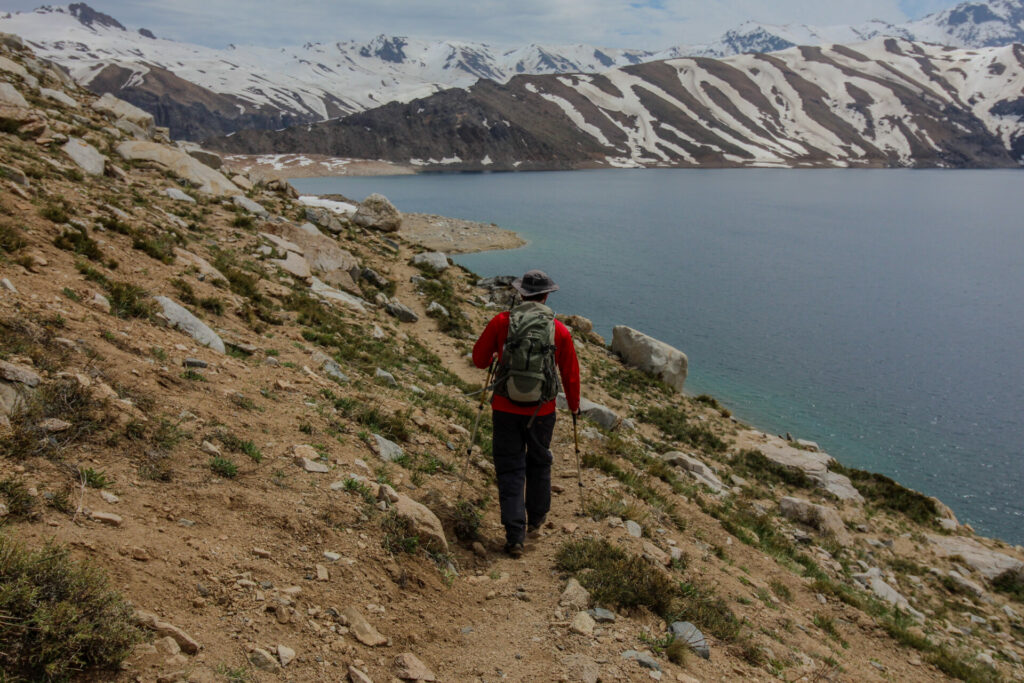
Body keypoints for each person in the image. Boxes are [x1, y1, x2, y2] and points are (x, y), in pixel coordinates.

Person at [472, 270, 580, 557]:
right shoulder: (559, 330)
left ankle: (514, 535)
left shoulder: (501, 322)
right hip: (542, 410)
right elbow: (570, 374)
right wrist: (574, 405)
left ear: (521, 294)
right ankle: (537, 518)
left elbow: (479, 360)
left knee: (510, 468)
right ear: (546, 296)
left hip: (505, 407)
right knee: (539, 462)